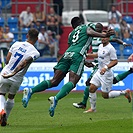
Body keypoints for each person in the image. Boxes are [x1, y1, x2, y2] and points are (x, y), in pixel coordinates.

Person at [21, 16, 115, 117]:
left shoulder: (71, 34)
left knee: (54, 81)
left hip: (66, 54)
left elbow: (72, 46)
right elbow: (95, 28)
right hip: (78, 55)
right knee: (72, 82)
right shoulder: (85, 27)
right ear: (81, 22)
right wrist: (103, 33)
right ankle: (55, 99)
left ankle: (31, 90)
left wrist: (84, 61)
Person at [73, 23, 133, 112]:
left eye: (105, 37)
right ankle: (93, 109)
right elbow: (98, 54)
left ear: (108, 38)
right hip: (99, 71)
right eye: (102, 37)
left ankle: (124, 93)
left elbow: (115, 61)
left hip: (106, 73)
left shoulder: (111, 48)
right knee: (91, 88)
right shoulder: (100, 45)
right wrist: (88, 55)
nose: (103, 39)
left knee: (105, 95)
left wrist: (105, 68)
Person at [0, 28, 40, 126]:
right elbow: (25, 62)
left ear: (27, 35)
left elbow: (8, 59)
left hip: (5, 74)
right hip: (17, 78)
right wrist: (14, 73)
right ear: (37, 39)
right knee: (11, 97)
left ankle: (1, 110)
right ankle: (5, 118)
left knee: (1, 94)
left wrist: (10, 71)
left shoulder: (16, 44)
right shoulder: (35, 53)